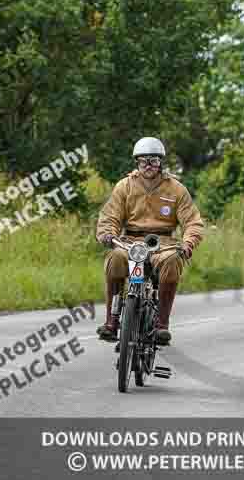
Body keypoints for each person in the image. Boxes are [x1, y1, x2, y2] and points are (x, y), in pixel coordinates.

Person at [95, 137, 205, 345]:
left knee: (172, 261)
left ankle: (161, 325)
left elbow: (193, 221)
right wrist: (107, 233)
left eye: (153, 161)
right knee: (115, 258)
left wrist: (188, 242)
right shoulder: (124, 186)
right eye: (143, 161)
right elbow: (110, 216)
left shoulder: (176, 189)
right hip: (131, 242)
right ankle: (112, 321)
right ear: (137, 162)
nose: (148, 166)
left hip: (163, 243)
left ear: (160, 162)